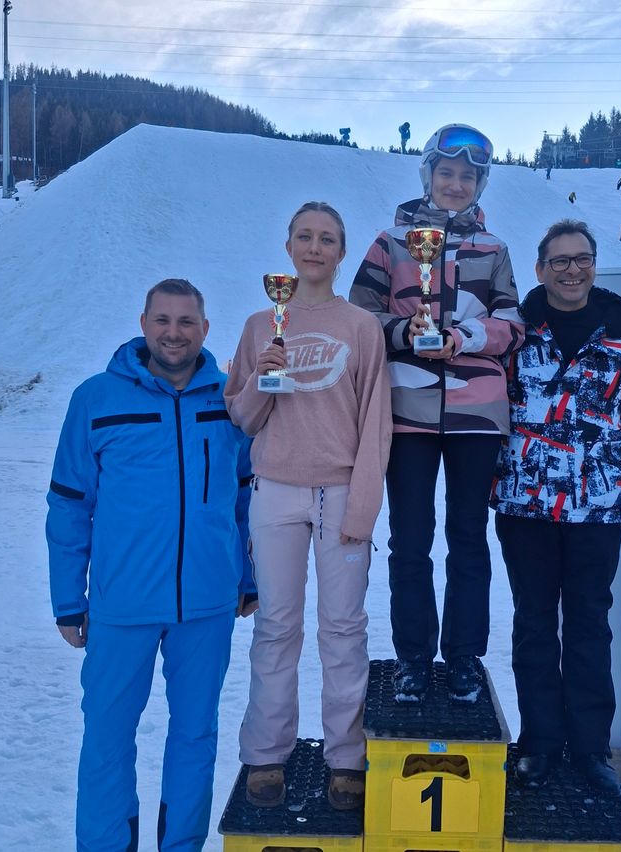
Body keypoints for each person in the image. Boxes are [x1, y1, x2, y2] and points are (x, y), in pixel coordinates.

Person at [46, 278, 255, 851]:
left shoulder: (229, 397)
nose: (174, 333)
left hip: (208, 602)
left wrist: (248, 576)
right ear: (143, 323)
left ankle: (181, 844)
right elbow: (68, 504)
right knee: (108, 738)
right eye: (163, 320)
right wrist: (69, 600)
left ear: (205, 329)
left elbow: (246, 494)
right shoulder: (97, 398)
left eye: (186, 322)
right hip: (122, 603)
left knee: (195, 736)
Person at [225, 201, 392, 811]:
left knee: (344, 630)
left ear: (341, 251)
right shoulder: (257, 325)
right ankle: (267, 752)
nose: (314, 247)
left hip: (342, 490)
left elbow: (376, 421)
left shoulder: (360, 326)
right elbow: (242, 419)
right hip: (275, 491)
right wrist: (259, 379)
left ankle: (346, 757)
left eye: (326, 239)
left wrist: (364, 507)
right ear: (288, 245)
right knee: (276, 626)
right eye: (304, 236)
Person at [350, 123, 524, 704]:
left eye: (467, 176)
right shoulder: (390, 243)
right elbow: (360, 319)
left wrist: (463, 336)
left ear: (480, 184)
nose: (455, 184)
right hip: (408, 407)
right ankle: (414, 658)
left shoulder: (493, 250)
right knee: (409, 539)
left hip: (476, 410)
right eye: (446, 173)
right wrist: (405, 331)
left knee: (469, 537)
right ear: (428, 176)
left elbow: (512, 324)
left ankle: (465, 657)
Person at [491, 219, 621, 796]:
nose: (571, 269)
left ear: (594, 265)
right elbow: (491, 408)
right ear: (540, 269)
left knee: (589, 625)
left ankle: (590, 748)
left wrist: (603, 456)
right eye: (559, 260)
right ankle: (539, 741)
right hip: (524, 506)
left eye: (581, 258)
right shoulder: (514, 334)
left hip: (596, 509)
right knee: (533, 624)